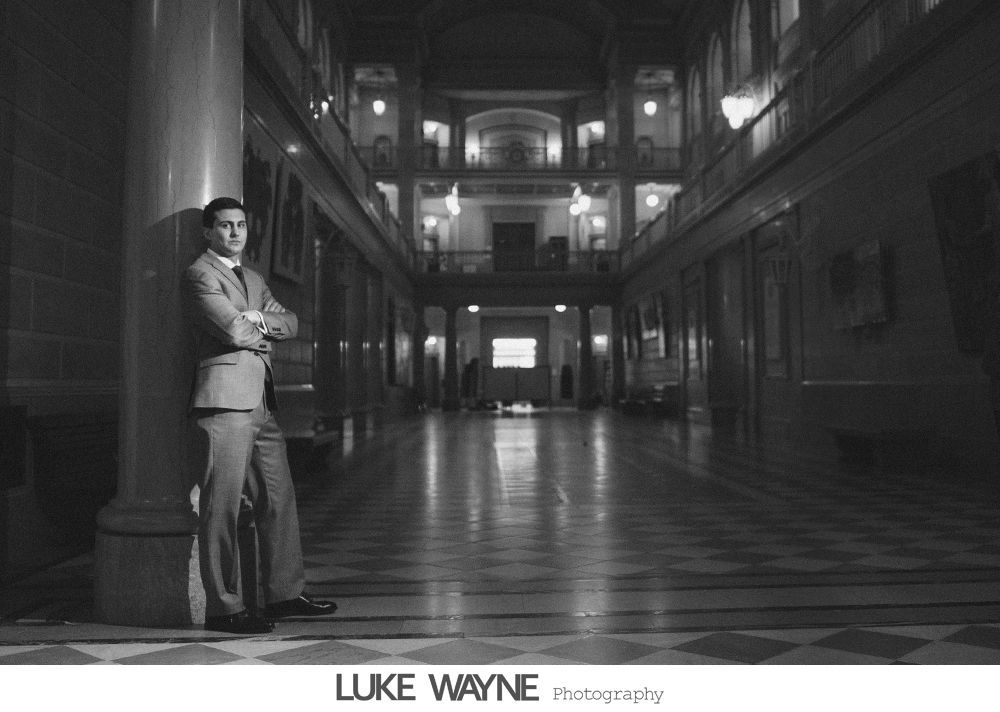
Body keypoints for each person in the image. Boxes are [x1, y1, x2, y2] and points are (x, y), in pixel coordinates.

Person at [183, 196, 335, 634]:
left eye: (241, 225)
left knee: (278, 497)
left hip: (262, 403)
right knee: (221, 507)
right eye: (226, 225)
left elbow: (291, 322)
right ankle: (225, 607)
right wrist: (258, 326)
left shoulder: (252, 276)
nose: (235, 233)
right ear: (208, 232)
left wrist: (255, 319)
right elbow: (231, 328)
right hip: (224, 402)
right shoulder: (199, 273)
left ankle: (285, 594)